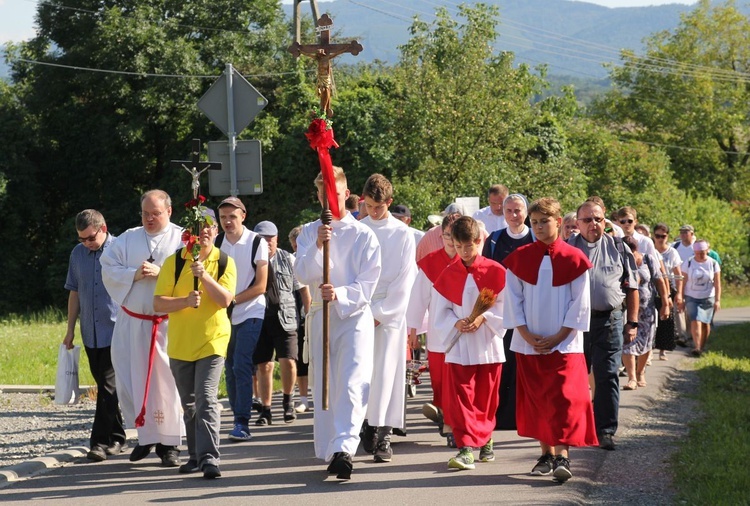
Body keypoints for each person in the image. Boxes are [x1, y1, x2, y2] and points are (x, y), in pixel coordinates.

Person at [294, 165, 381, 480]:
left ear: (346, 194)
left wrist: (341, 293)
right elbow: (302, 273)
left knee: (352, 382)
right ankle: (333, 449)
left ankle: (345, 447)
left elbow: (369, 282)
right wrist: (317, 244)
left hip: (353, 317)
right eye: (321, 194)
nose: (327, 199)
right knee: (326, 384)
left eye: (333, 193)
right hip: (321, 317)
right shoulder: (309, 231)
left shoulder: (364, 235)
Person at [503, 197, 597, 483]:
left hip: (564, 343)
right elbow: (513, 299)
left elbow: (579, 303)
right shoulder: (520, 258)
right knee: (538, 400)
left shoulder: (574, 259)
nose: (540, 227)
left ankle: (563, 456)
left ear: (558, 222)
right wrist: (525, 333)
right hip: (528, 341)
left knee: (564, 400)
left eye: (545, 221)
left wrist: (559, 336)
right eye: (535, 222)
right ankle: (545, 454)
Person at [100, 189, 185, 466]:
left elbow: (195, 275)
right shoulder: (128, 238)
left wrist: (162, 273)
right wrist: (134, 273)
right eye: (145, 213)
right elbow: (108, 267)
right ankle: (146, 437)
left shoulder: (183, 238)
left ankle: (170, 444)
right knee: (130, 382)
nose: (149, 218)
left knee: (167, 385)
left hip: (167, 325)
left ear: (169, 211)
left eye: (155, 213)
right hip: (133, 323)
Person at [153, 207, 236, 479]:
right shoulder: (173, 262)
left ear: (215, 231)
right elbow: (158, 303)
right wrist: (185, 301)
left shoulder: (225, 261)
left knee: (206, 398)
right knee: (189, 404)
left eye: (208, 230)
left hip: (213, 341)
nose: (203, 235)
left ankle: (211, 458)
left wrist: (205, 276)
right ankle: (194, 456)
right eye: (197, 232)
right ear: (188, 234)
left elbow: (225, 300)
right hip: (180, 343)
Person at [433, 216, 506, 471]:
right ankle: (465, 449)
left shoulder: (496, 271)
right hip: (460, 345)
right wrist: (455, 322)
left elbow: (506, 307)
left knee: (486, 400)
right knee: (461, 399)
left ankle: (486, 438)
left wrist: (484, 317)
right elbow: (439, 310)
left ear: (479, 241)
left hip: (487, 345)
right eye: (459, 245)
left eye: (470, 245)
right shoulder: (448, 274)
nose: (465, 251)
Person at [569, 201, 639, 452]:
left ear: (604, 221)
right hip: (574, 325)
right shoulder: (567, 248)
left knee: (607, 374)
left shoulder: (618, 247)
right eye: (586, 220)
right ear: (577, 223)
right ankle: (576, 428)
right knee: (574, 378)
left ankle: (605, 430)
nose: (592, 224)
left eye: (597, 219)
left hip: (609, 320)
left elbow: (632, 287)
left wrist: (632, 322)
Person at [359, 173, 417, 463]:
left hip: (389, 313)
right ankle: (365, 425)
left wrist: (380, 314)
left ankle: (384, 434)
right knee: (362, 372)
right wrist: (361, 310)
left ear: (389, 203)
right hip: (359, 309)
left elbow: (406, 280)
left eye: (378, 206)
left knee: (386, 373)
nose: (373, 211)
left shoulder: (403, 234)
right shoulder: (358, 229)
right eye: (369, 205)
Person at [64, 209, 126, 462]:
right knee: (105, 387)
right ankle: (118, 437)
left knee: (109, 386)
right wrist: (69, 330)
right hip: (91, 333)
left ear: (103, 228)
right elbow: (74, 292)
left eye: (90, 238)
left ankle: (99, 442)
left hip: (117, 331)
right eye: (81, 239)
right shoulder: (78, 254)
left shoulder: (120, 249)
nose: (86, 243)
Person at [406, 213, 461, 446]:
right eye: (446, 235)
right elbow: (418, 298)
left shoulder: (469, 260)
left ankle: (453, 427)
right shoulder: (431, 263)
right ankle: (445, 416)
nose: (450, 240)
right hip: (438, 334)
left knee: (458, 382)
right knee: (439, 381)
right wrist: (413, 331)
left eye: (455, 236)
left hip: (464, 333)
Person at [216, 196, 269, 440]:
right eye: (223, 217)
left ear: (243, 216)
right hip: (224, 314)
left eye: (232, 216)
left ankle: (242, 422)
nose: (227, 221)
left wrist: (233, 299)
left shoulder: (257, 242)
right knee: (229, 366)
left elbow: (261, 286)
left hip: (252, 311)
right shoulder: (217, 242)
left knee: (241, 363)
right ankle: (238, 416)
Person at [481, 193, 534, 430]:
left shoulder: (535, 238)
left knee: (524, 364)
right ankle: (501, 417)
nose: (513, 215)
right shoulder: (494, 240)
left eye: (518, 210)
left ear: (526, 212)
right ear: (503, 212)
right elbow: (485, 275)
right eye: (509, 211)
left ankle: (524, 414)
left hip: (530, 310)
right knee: (503, 362)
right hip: (500, 312)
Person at [252, 220, 302, 425]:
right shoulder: (250, 260)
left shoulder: (288, 259)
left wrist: (307, 314)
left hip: (286, 315)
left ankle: (288, 401)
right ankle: (266, 409)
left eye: (270, 238)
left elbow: (301, 288)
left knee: (288, 360)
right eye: (262, 239)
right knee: (264, 365)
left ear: (276, 239)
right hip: (259, 315)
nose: (267, 242)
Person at [621, 237, 658, 390]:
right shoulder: (621, 261)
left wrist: (666, 303)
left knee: (647, 341)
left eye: (631, 252)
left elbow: (658, 279)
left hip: (647, 308)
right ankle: (632, 378)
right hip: (626, 309)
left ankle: (640, 371)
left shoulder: (647, 259)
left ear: (636, 249)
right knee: (627, 343)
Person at [676, 239, 721, 357]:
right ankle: (696, 347)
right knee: (695, 319)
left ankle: (702, 346)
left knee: (706, 324)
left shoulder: (713, 263)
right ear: (694, 252)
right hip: (691, 296)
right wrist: (680, 295)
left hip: (708, 297)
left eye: (703, 252)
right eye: (697, 252)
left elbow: (717, 283)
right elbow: (683, 280)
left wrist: (717, 300)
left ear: (707, 251)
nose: (700, 255)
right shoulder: (689, 262)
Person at [288, 226, 312, 413]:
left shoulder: (314, 257)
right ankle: (303, 398)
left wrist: (310, 313)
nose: (296, 249)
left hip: (311, 312)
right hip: (294, 314)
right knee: (300, 359)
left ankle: (315, 396)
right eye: (294, 246)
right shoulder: (290, 260)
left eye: (299, 245)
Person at [652, 223, 682, 360]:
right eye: (657, 236)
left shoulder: (672, 252)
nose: (660, 239)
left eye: (663, 236)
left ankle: (663, 349)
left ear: (667, 236)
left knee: (666, 319)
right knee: (652, 318)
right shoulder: (650, 249)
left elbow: (678, 274)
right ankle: (649, 348)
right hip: (652, 287)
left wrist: (679, 293)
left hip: (668, 287)